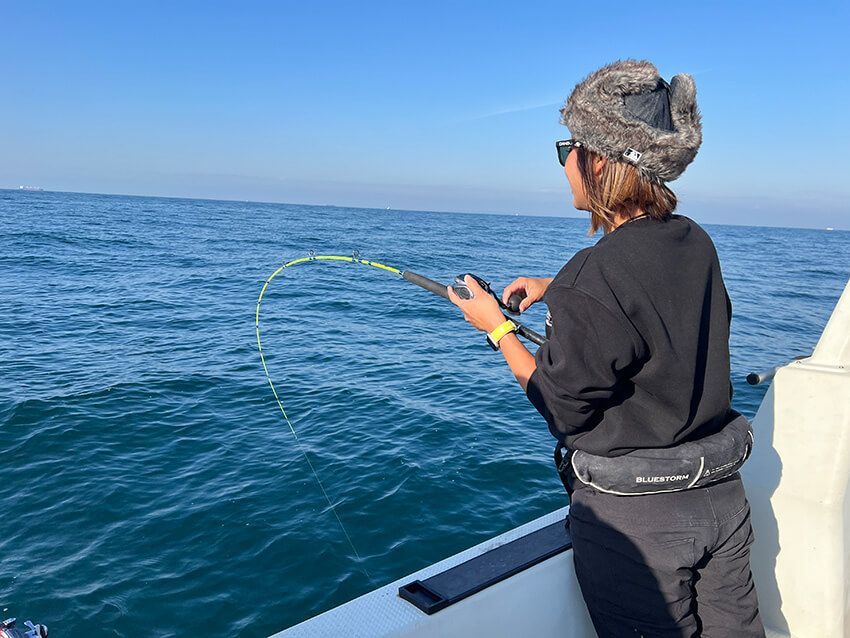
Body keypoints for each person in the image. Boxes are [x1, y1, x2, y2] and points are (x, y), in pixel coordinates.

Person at [447, 59, 765, 637]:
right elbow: (653, 302)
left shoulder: (597, 276)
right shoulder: (694, 240)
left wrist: (495, 328)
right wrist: (554, 290)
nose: (563, 160)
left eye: (567, 146)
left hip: (641, 525)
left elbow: (559, 405)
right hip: (722, 497)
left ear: (599, 160)